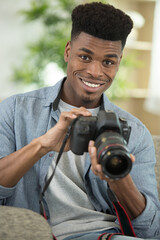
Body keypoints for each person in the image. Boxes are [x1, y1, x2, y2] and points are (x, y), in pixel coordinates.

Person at [0, 2, 159, 240]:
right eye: (85, 57)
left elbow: (152, 231)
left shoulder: (135, 132)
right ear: (67, 51)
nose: (95, 72)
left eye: (108, 62)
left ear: (119, 62)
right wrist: (42, 145)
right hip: (35, 231)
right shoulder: (15, 110)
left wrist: (119, 180)